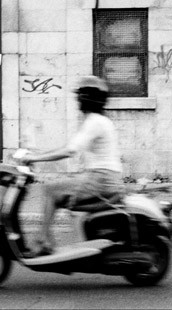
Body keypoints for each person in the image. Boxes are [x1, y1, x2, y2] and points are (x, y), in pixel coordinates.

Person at [16, 76, 124, 257]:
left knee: (51, 189)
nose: (78, 100)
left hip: (101, 179)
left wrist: (34, 158)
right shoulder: (100, 121)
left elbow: (70, 150)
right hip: (103, 177)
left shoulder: (94, 122)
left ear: (86, 99)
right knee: (62, 193)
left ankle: (43, 241)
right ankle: (74, 245)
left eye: (80, 96)